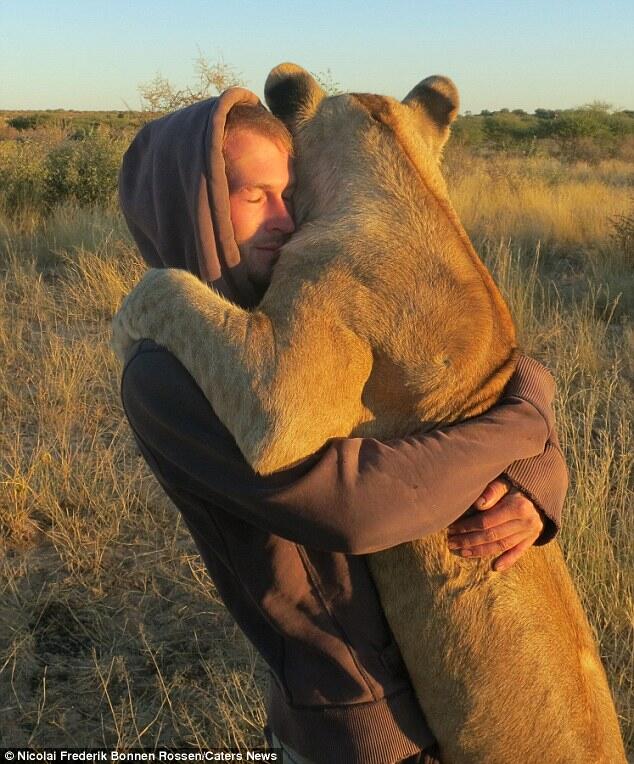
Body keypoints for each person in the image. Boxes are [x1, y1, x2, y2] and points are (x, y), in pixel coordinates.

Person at [117, 87, 568, 764]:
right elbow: (358, 508)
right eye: (251, 195)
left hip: (439, 690)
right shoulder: (165, 372)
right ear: (192, 203)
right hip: (358, 725)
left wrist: (538, 477)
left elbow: (454, 384)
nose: (285, 218)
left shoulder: (289, 311)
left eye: (288, 191)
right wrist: (524, 423)